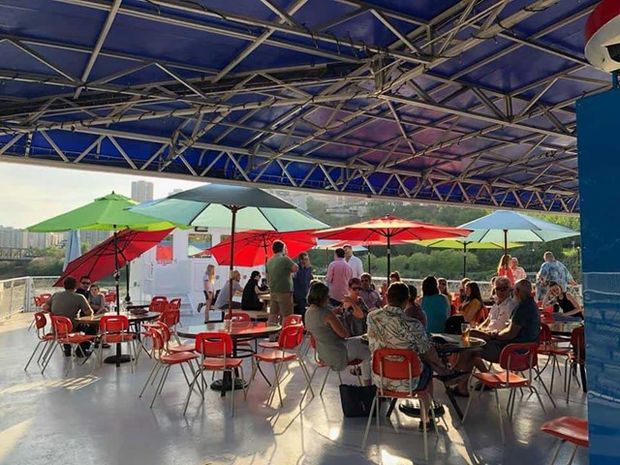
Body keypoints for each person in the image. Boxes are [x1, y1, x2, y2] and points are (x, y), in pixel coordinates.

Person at [367, 282, 455, 429]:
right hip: (409, 381)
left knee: (418, 358)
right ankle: (426, 419)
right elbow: (427, 351)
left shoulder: (372, 318)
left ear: (387, 296)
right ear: (407, 300)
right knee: (426, 364)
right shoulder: (413, 324)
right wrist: (439, 364)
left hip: (380, 378)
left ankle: (441, 372)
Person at [453, 279, 541, 396]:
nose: (507, 292)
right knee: (470, 344)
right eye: (498, 289)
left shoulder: (521, 308)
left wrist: (493, 336)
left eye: (510, 289)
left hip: (512, 352)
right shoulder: (531, 306)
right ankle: (461, 383)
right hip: (524, 352)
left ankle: (458, 381)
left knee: (470, 348)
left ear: (517, 291)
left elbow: (510, 333)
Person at [305, 280, 371, 385]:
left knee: (362, 342)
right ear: (322, 297)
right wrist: (334, 316)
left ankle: (367, 384)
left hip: (323, 353)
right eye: (327, 296)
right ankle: (368, 386)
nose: (329, 298)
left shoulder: (308, 312)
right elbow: (344, 334)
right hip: (338, 352)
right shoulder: (327, 313)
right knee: (369, 351)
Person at [43, 276, 95, 356]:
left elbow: (45, 308)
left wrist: (55, 313)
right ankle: (81, 351)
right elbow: (89, 313)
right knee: (92, 327)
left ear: (64, 285)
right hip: (72, 327)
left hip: (57, 328)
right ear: (76, 286)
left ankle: (67, 348)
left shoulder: (55, 295)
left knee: (65, 326)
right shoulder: (79, 297)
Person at [266, 240, 298, 323]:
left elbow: (267, 275)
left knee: (273, 314)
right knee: (287, 315)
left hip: (273, 290)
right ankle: (285, 334)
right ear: (283, 248)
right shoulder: (284, 259)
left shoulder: (269, 261)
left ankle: (271, 334)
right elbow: (295, 268)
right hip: (285, 291)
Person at [293, 252, 313, 318]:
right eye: (306, 259)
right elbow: (302, 281)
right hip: (298, 294)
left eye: (308, 259)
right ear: (301, 260)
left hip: (306, 293)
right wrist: (307, 269)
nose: (308, 261)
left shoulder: (308, 268)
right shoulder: (297, 268)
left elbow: (308, 280)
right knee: (301, 312)